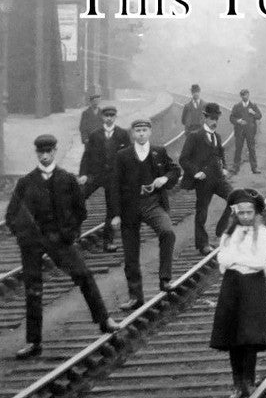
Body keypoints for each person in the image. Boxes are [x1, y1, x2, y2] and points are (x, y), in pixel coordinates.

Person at [6, 134, 121, 359]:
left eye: (49, 151)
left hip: (61, 240)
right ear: (37, 153)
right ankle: (33, 342)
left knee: (84, 275)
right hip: (32, 244)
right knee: (33, 290)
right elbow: (12, 215)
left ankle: (105, 320)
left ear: (56, 151)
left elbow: (81, 210)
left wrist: (70, 233)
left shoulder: (67, 179)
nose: (45, 156)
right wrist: (24, 237)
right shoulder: (26, 182)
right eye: (41, 152)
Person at [111, 118, 181, 309]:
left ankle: (165, 279)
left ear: (150, 132)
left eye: (144, 130)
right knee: (130, 253)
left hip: (152, 204)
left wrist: (163, 179)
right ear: (133, 133)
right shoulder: (122, 155)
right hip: (129, 206)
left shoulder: (159, 151)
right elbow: (114, 186)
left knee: (167, 232)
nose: (141, 133)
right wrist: (115, 214)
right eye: (138, 130)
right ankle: (135, 297)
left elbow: (175, 170)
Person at [210, 188, 266, 398]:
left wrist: (236, 258)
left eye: (249, 213)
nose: (245, 217)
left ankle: (249, 380)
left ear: (256, 213)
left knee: (250, 336)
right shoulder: (229, 235)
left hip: (252, 286)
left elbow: (260, 261)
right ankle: (237, 383)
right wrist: (236, 258)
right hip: (232, 286)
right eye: (241, 213)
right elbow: (222, 260)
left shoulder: (265, 234)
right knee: (233, 337)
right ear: (235, 213)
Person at [181, 102, 233, 254]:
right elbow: (183, 159)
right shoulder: (194, 136)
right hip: (203, 182)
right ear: (204, 118)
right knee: (202, 213)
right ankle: (203, 245)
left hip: (218, 180)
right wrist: (196, 172)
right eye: (211, 118)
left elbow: (221, 155)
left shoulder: (217, 136)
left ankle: (221, 228)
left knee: (235, 198)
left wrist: (224, 168)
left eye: (216, 118)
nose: (214, 121)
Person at [78, 104, 131, 252]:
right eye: (106, 116)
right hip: (95, 175)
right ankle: (74, 234)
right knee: (78, 197)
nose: (109, 118)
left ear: (115, 117)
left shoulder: (122, 134)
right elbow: (86, 156)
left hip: (113, 177)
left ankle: (108, 242)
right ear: (102, 117)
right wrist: (83, 174)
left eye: (112, 116)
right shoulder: (95, 135)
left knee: (112, 208)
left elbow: (128, 155)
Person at [229, 89, 264, 175]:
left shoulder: (253, 106)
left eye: (246, 95)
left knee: (251, 149)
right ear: (241, 96)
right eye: (243, 95)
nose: (245, 97)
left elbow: (259, 116)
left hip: (250, 131)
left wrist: (253, 113)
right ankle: (235, 168)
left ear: (249, 95)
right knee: (238, 149)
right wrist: (238, 121)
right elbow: (231, 118)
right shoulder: (236, 106)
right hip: (239, 131)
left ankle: (254, 168)